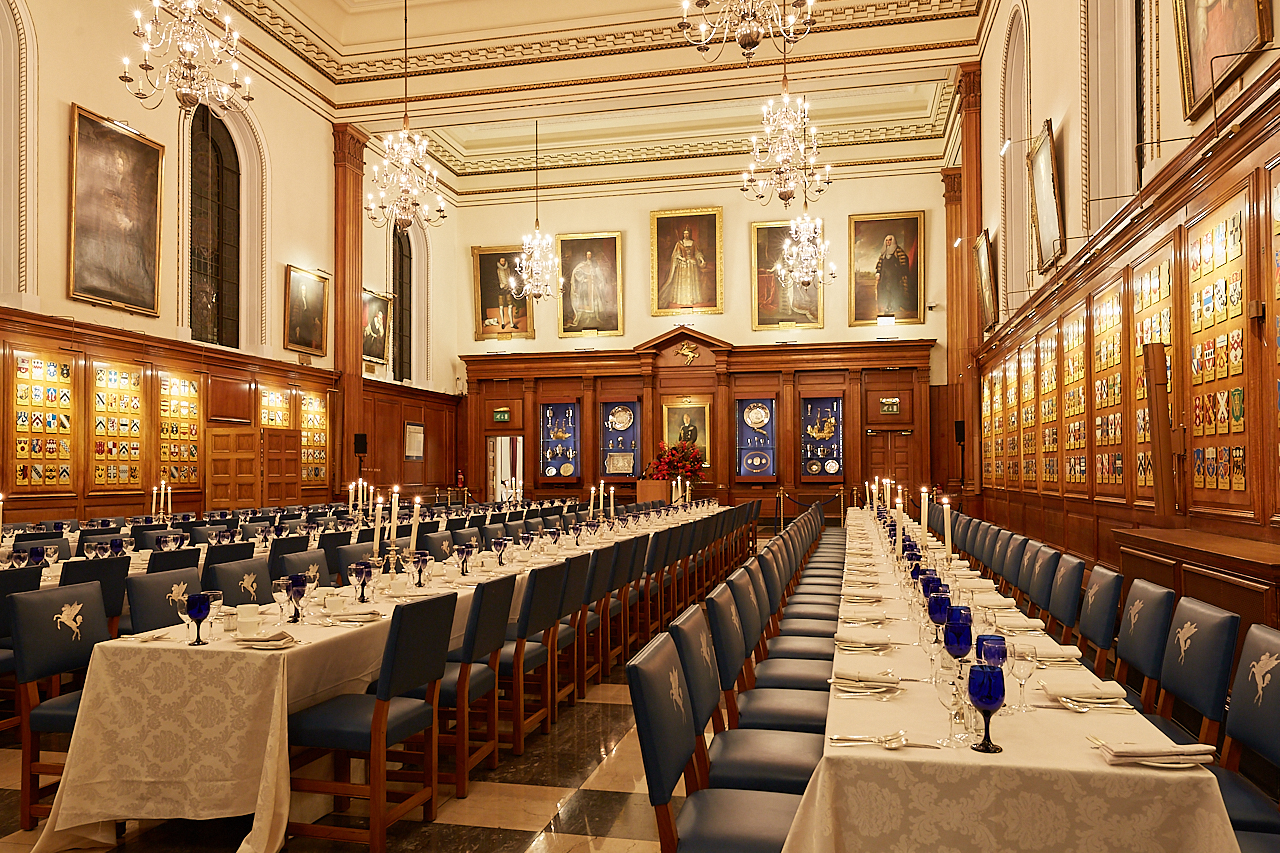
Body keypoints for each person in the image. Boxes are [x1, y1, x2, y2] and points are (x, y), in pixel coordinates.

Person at [658, 227, 706, 308]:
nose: (686, 235)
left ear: (689, 234)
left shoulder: (693, 243)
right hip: (683, 265)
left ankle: (691, 299)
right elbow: (675, 255)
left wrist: (702, 260)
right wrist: (681, 258)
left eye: (687, 233)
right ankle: (683, 299)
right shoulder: (679, 243)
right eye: (684, 233)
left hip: (692, 265)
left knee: (691, 281)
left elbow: (697, 253)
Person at [567, 250, 608, 329]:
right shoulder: (582, 265)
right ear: (585, 255)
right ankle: (587, 318)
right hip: (586, 287)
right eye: (587, 254)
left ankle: (596, 317)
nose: (589, 256)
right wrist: (583, 279)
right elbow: (576, 272)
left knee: (595, 301)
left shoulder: (594, 265)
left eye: (590, 254)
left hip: (593, 285)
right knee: (586, 302)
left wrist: (598, 281)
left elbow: (598, 275)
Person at [875, 234, 912, 314]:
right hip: (885, 276)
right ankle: (887, 306)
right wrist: (878, 272)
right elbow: (880, 264)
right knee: (885, 290)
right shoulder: (884, 252)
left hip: (894, 276)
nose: (888, 242)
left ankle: (894, 306)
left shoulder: (898, 251)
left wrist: (901, 273)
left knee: (894, 290)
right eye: (887, 240)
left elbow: (903, 263)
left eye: (890, 240)